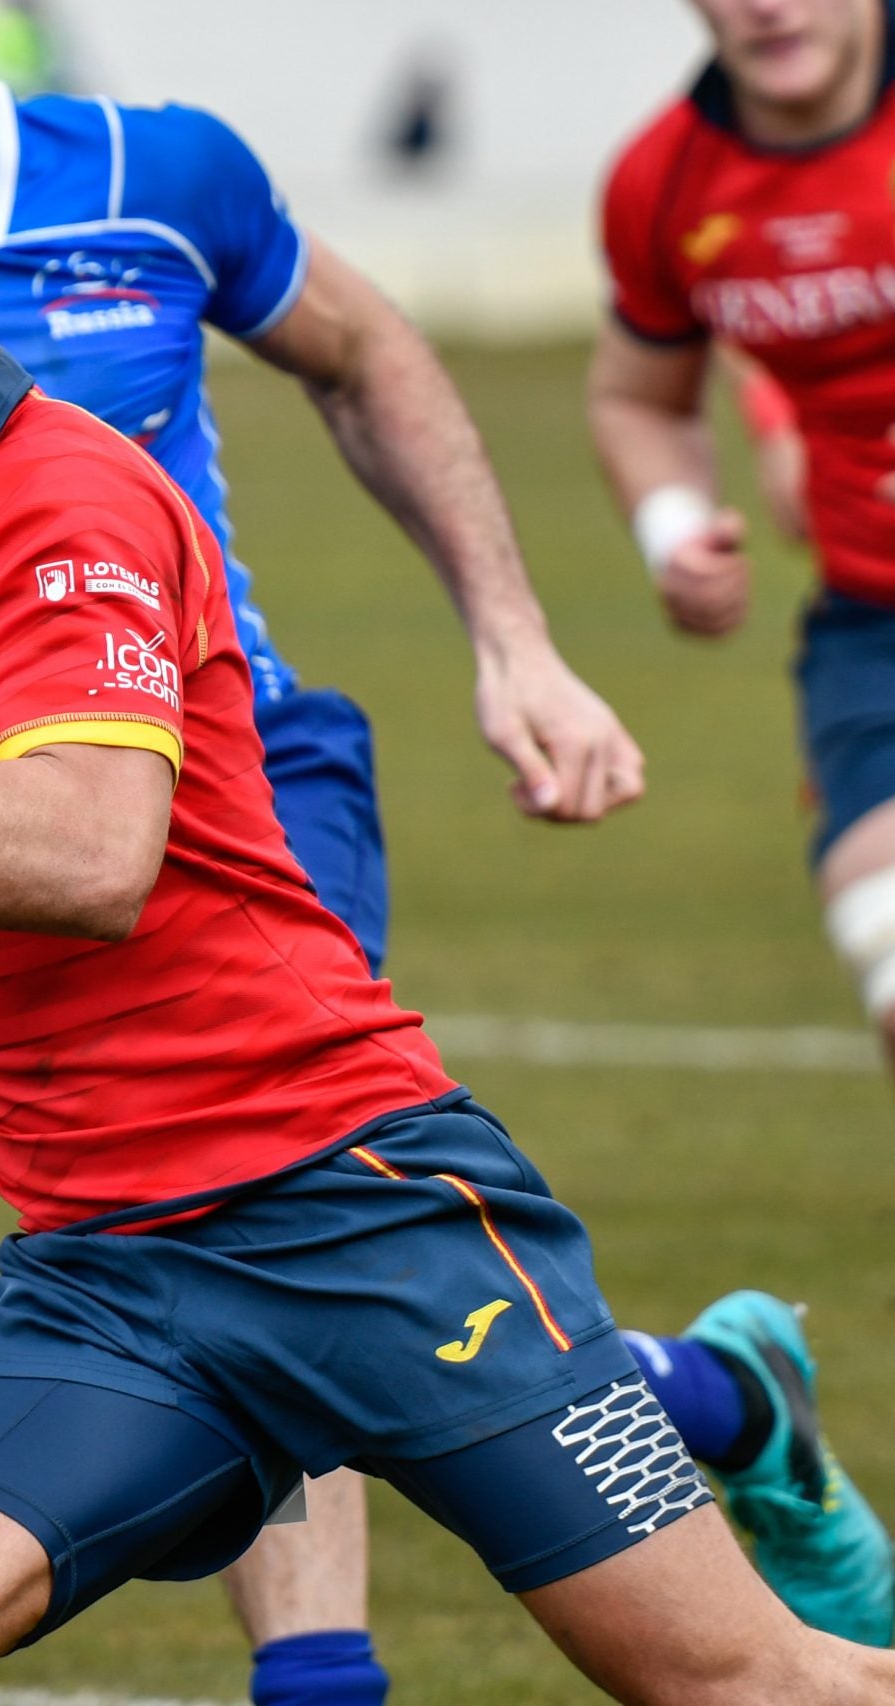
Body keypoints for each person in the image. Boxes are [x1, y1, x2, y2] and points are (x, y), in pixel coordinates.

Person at [0, 110, 895, 1705]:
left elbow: (90, 857)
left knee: (750, 1685)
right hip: (106, 1275)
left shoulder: (57, 505)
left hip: (353, 1211)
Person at [592, 0, 895, 1645]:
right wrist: (671, 516)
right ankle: (773, 1444)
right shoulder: (668, 182)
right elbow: (641, 388)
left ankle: (749, 1423)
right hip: (873, 637)